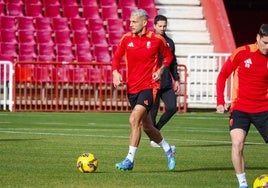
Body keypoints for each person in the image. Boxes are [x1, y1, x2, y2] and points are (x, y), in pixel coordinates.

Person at [112, 9, 176, 171]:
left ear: (144, 22)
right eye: (130, 21)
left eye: (134, 21)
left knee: (134, 120)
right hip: (132, 88)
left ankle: (129, 160)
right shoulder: (126, 39)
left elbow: (169, 57)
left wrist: (161, 70)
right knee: (148, 127)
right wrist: (115, 72)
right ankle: (168, 149)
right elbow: (116, 58)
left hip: (149, 87)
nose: (131, 24)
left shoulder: (157, 39)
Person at [216, 24, 268, 188]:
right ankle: (243, 184)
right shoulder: (242, 52)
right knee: (237, 143)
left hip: (264, 109)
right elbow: (222, 76)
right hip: (240, 108)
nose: (267, 47)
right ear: (258, 38)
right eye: (265, 43)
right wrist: (220, 101)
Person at [149, 15, 180, 148]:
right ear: (154, 26)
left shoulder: (170, 42)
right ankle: (155, 138)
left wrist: (177, 79)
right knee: (153, 112)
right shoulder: (148, 40)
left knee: (172, 107)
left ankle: (156, 131)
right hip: (152, 83)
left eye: (164, 26)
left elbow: (173, 63)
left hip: (166, 83)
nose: (162, 28)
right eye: (160, 26)